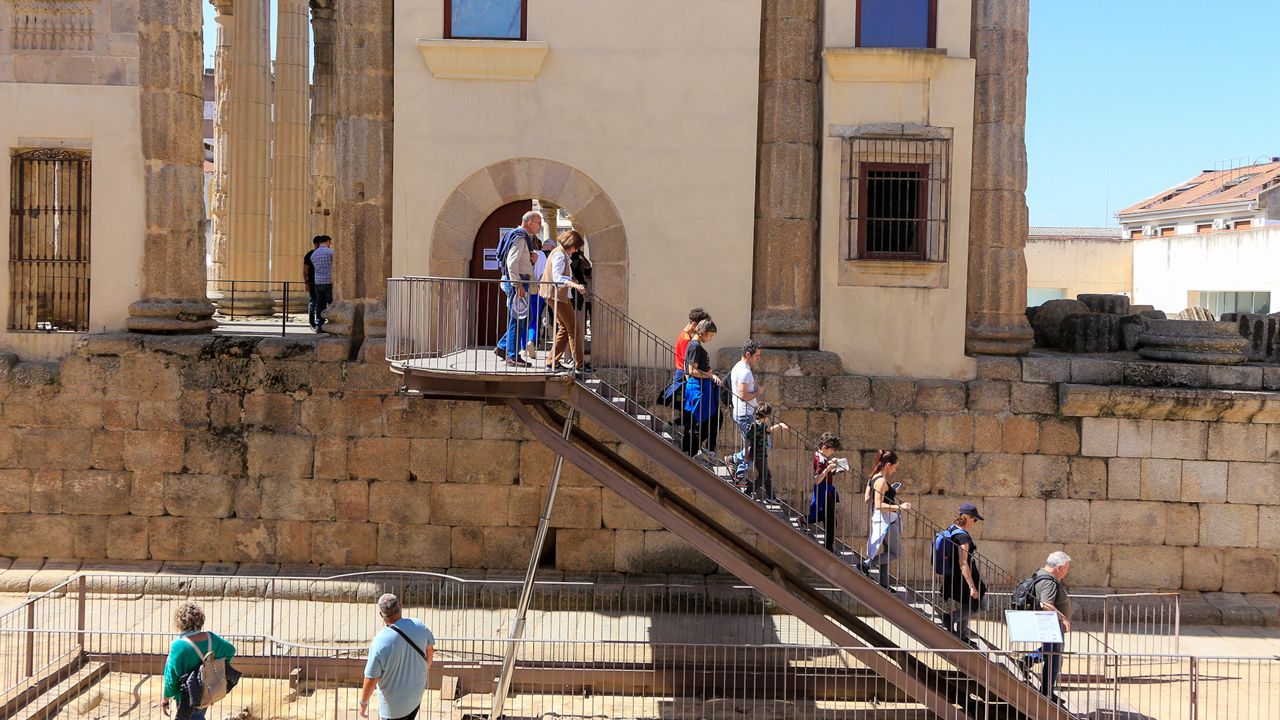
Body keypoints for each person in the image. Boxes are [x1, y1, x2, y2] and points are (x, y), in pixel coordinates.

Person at [360, 593, 436, 720]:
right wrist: (424, 668)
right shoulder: (419, 625)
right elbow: (430, 649)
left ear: (381, 615)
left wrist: (363, 703)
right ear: (400, 607)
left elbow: (371, 678)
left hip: (393, 709)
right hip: (415, 697)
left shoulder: (379, 642)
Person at [161, 603, 236, 719]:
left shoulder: (178, 645)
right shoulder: (211, 638)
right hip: (207, 689)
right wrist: (217, 667)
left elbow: (171, 677)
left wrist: (165, 699)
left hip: (187, 695)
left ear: (179, 623)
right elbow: (230, 650)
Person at [1021, 551, 1073, 702]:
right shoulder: (1049, 581)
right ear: (1059, 567)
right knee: (1054, 658)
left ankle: (1028, 661)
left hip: (1048, 624)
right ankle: (1047, 692)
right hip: (1051, 625)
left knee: (1051, 653)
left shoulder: (1041, 574)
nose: (1067, 571)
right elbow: (1045, 604)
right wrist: (1063, 618)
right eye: (1066, 568)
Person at [494, 211, 542, 367]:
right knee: (518, 319)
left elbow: (518, 261)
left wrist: (531, 261)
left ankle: (503, 347)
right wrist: (518, 284)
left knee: (521, 318)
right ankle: (512, 356)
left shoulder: (519, 236)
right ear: (529, 223)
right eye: (538, 222)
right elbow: (512, 262)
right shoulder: (521, 237)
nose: (539, 226)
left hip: (518, 280)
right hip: (518, 281)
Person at [860, 449, 911, 588]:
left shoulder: (873, 478)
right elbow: (878, 504)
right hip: (888, 520)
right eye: (894, 466)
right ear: (888, 464)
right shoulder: (881, 481)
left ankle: (884, 583)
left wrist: (891, 492)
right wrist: (901, 506)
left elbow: (867, 499)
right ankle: (865, 564)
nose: (894, 470)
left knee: (888, 552)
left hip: (882, 519)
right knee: (895, 553)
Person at [938, 503, 986, 645]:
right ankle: (951, 618)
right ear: (967, 518)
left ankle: (962, 635)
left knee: (967, 604)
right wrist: (972, 586)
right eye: (975, 519)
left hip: (954, 576)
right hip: (965, 577)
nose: (975, 522)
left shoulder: (952, 529)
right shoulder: (962, 537)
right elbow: (963, 562)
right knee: (981, 605)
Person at [541, 230, 589, 372]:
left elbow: (562, 276)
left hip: (557, 295)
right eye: (576, 247)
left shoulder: (561, 253)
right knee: (573, 327)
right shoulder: (559, 254)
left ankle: (552, 362)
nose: (576, 250)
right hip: (557, 295)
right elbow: (557, 278)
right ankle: (579, 364)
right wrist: (575, 285)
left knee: (564, 327)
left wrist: (573, 281)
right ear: (571, 244)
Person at [723, 339, 765, 480]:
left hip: (745, 413)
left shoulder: (739, 367)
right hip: (745, 414)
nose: (759, 358)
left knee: (754, 445)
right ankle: (737, 468)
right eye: (757, 355)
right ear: (748, 354)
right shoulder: (744, 372)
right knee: (754, 447)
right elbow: (743, 396)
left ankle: (736, 464)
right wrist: (758, 392)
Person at [681, 319, 721, 458]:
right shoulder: (695, 346)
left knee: (706, 421)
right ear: (704, 332)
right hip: (698, 389)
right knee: (698, 423)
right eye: (710, 335)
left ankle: (693, 451)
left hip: (702, 388)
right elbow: (692, 370)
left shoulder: (696, 345)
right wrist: (710, 376)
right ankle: (689, 452)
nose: (710, 339)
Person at [660, 308, 710, 408]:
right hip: (683, 376)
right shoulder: (686, 340)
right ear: (695, 325)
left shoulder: (686, 336)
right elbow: (686, 363)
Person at [807, 432, 844, 552]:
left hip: (828, 490)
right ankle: (828, 547)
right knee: (830, 519)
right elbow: (817, 479)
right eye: (831, 449)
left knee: (829, 518)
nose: (832, 452)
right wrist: (828, 468)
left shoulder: (823, 458)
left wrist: (832, 465)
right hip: (824, 490)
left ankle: (828, 545)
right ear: (824, 447)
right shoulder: (820, 460)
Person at [742, 402, 787, 500]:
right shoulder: (761, 425)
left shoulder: (752, 425)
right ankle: (749, 491)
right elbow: (770, 429)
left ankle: (771, 497)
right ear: (766, 416)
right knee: (763, 476)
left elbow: (747, 439)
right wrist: (780, 425)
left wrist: (746, 452)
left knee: (767, 475)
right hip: (760, 455)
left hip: (756, 453)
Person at [526, 236, 555, 359]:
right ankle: (532, 340)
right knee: (535, 318)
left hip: (525, 289)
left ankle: (523, 347)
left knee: (524, 319)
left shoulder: (526, 255)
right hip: (540, 289)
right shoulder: (543, 256)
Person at [310, 235, 334, 332]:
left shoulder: (314, 254)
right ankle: (333, 322)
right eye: (330, 242)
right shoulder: (331, 252)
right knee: (332, 303)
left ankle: (319, 324)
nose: (330, 244)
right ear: (327, 241)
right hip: (329, 281)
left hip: (318, 282)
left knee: (320, 305)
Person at [303, 236, 323, 329]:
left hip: (321, 281)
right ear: (316, 244)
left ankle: (319, 322)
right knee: (313, 302)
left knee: (320, 302)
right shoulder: (309, 255)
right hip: (312, 282)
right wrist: (306, 283)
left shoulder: (322, 254)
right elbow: (305, 270)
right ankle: (312, 322)